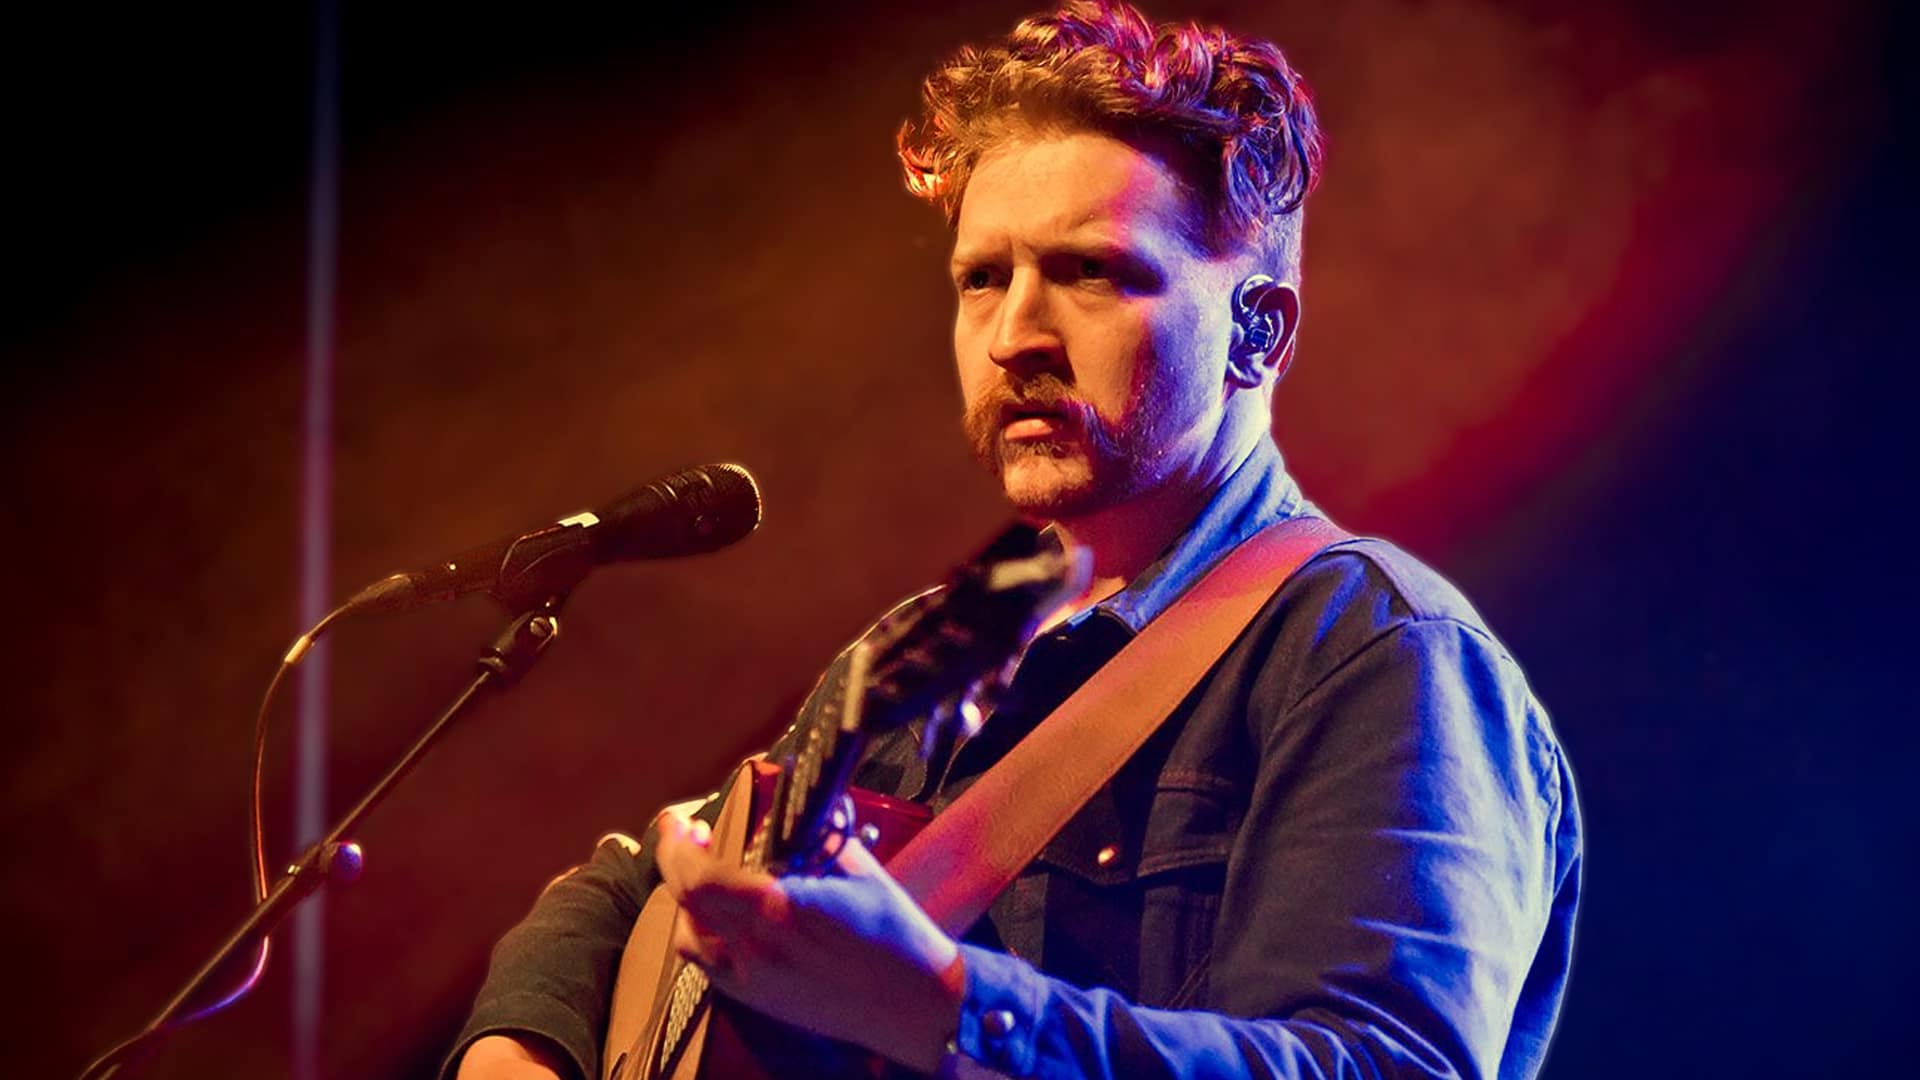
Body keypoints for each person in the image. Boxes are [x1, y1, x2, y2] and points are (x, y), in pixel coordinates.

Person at [447, 2, 1581, 1077]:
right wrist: (521, 1043)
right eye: (982, 279)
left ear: (1258, 329)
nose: (1013, 336)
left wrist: (937, 1005)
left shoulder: (1377, 658)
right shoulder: (924, 656)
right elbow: (632, 880)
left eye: (1090, 272)